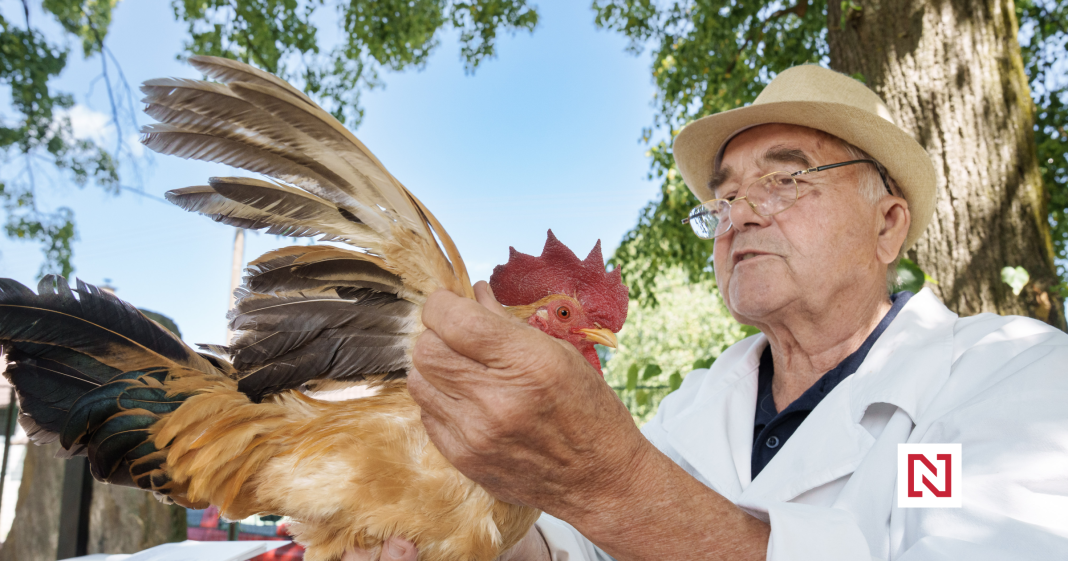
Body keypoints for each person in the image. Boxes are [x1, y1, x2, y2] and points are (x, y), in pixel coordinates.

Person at [351, 65, 1068, 560]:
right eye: (723, 199)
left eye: (786, 179)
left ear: (887, 225)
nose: (739, 214)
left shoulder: (1009, 373)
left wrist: (615, 480)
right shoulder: (697, 406)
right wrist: (469, 526)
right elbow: (578, 549)